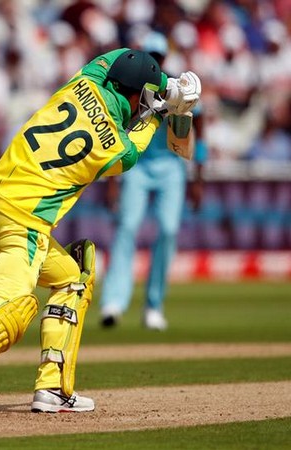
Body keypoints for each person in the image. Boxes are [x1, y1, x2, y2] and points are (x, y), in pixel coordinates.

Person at [0, 47, 201, 418]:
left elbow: (117, 57)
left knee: (73, 277)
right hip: (24, 221)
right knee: (12, 310)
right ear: (136, 93)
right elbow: (133, 149)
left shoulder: (83, 81)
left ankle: (53, 388)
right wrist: (167, 106)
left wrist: (163, 88)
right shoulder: (113, 148)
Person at [99, 32, 208, 331]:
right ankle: (113, 302)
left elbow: (200, 127)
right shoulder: (131, 87)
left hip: (171, 167)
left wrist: (198, 178)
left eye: (159, 58)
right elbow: (117, 132)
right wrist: (111, 180)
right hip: (137, 165)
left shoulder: (177, 88)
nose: (156, 63)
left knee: (169, 230)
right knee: (127, 227)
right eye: (152, 57)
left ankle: (153, 307)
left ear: (164, 58)